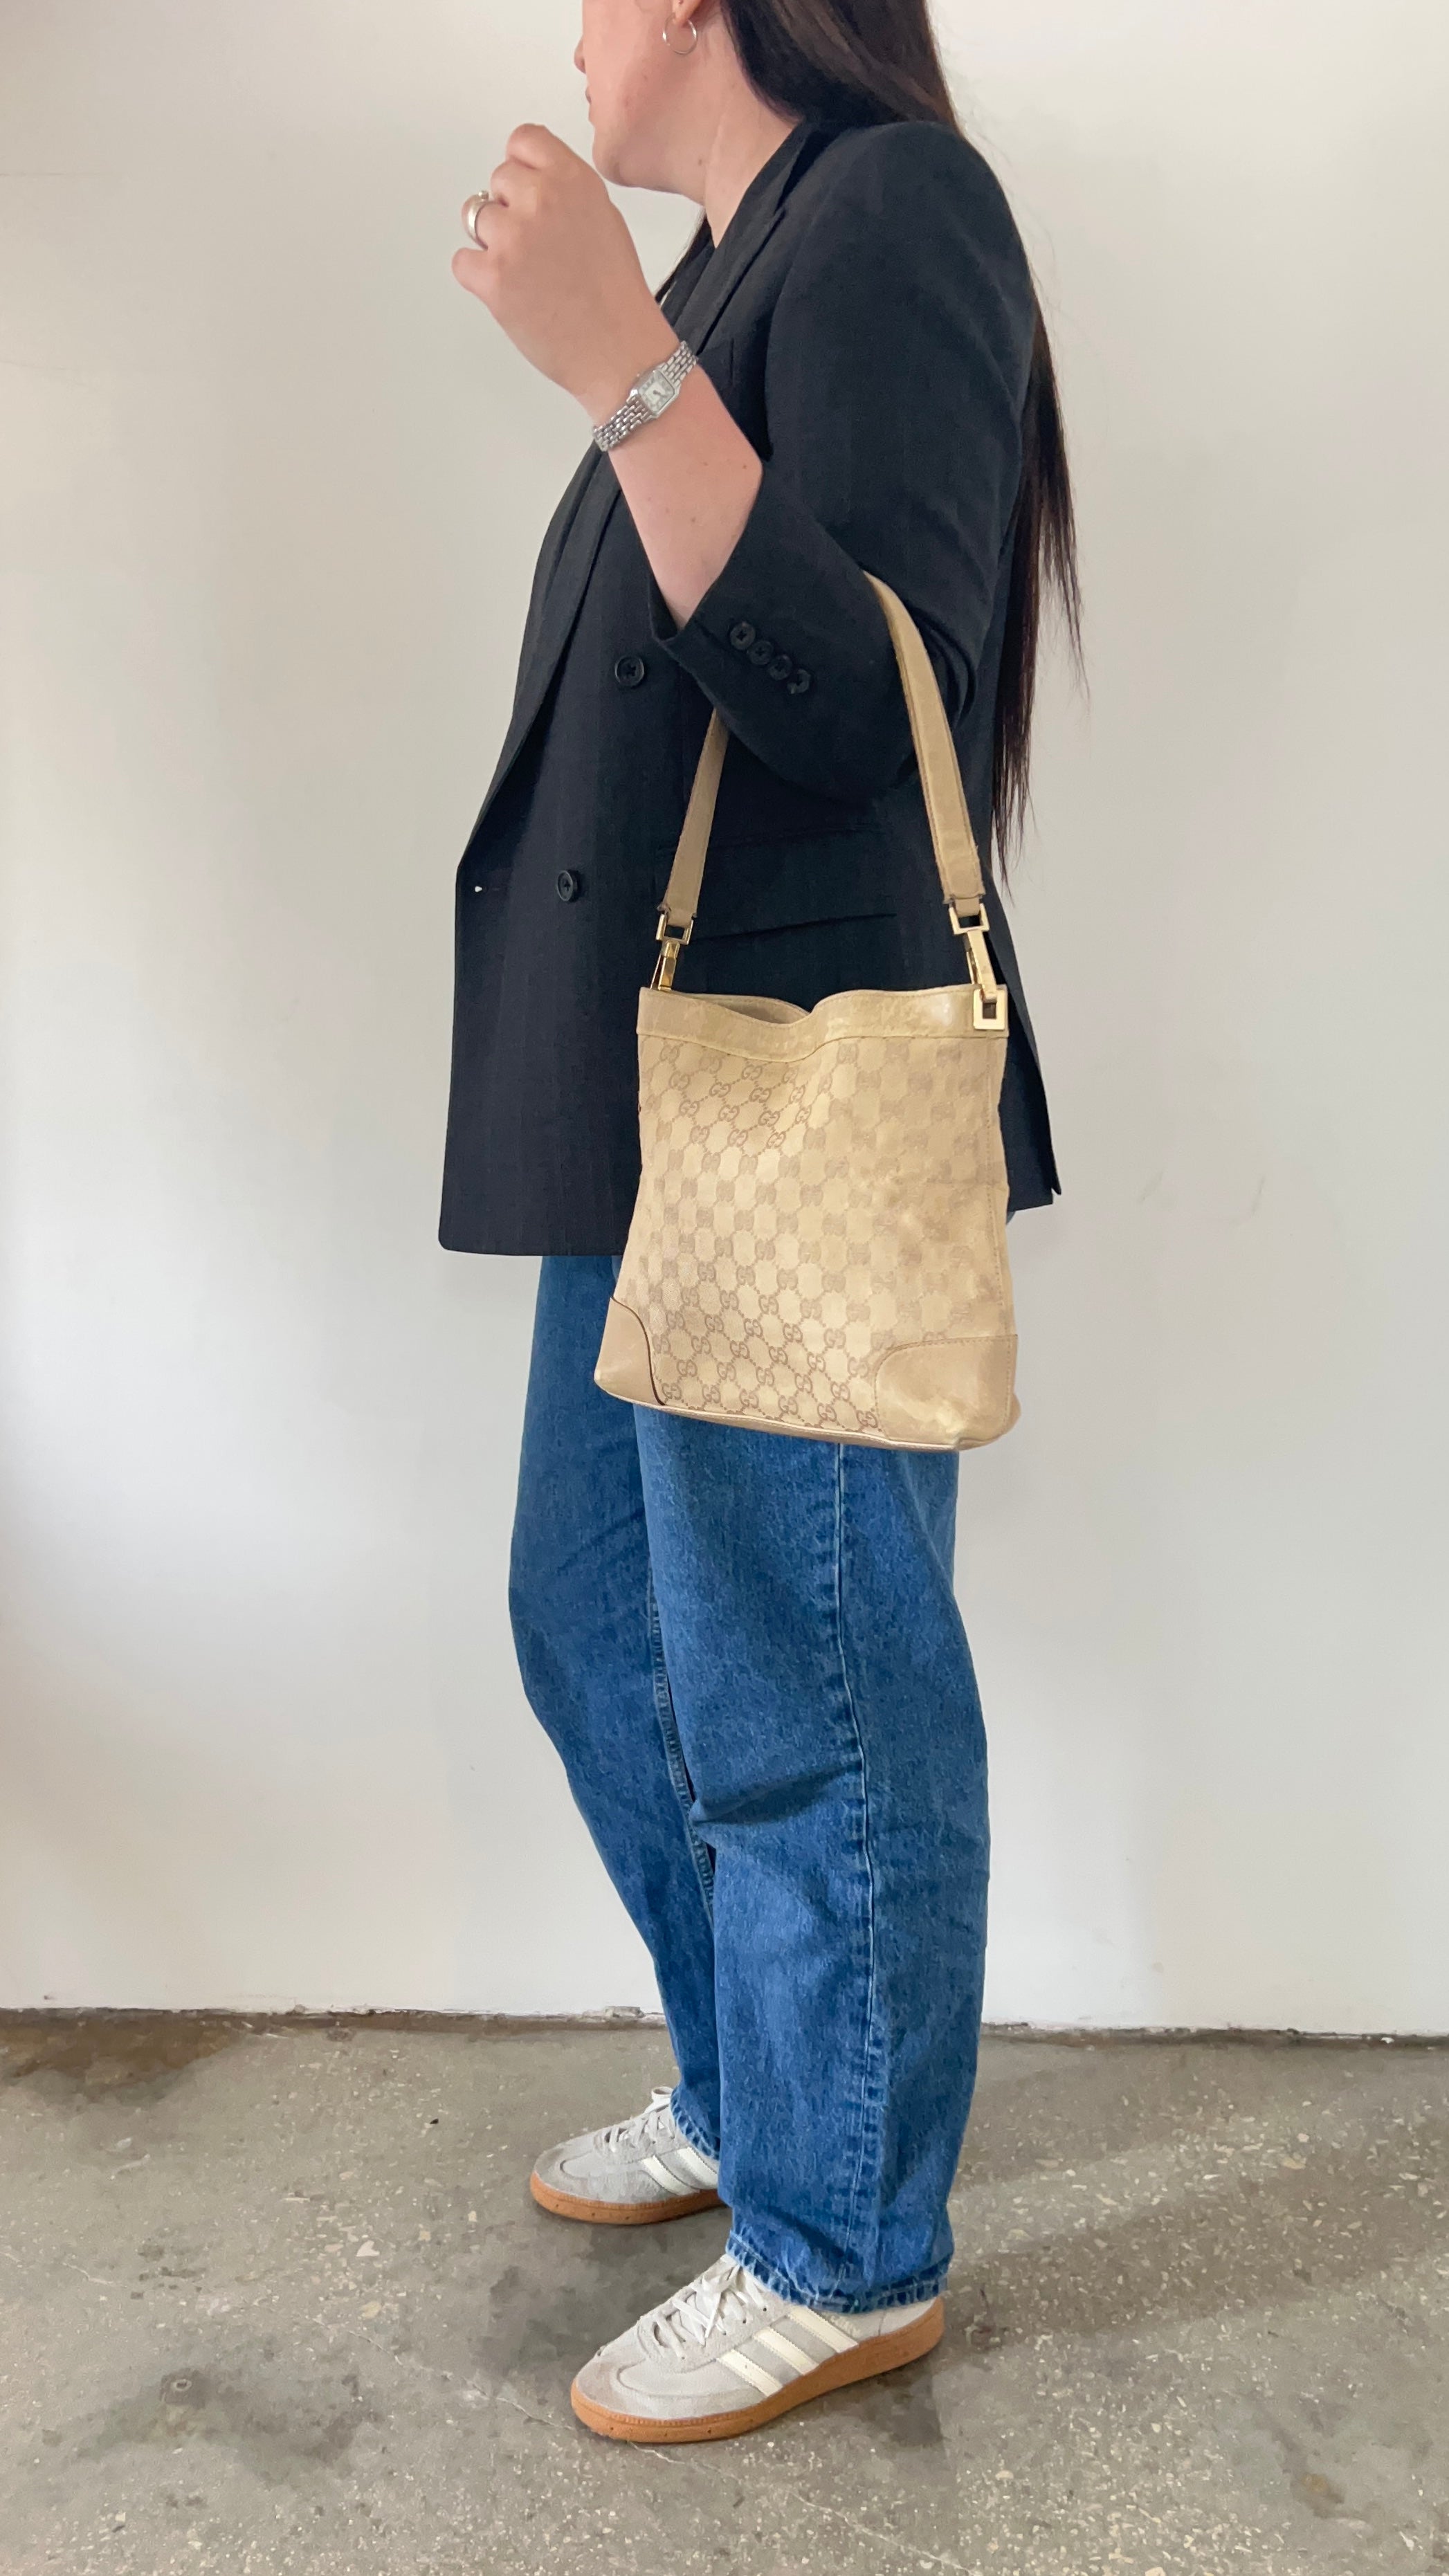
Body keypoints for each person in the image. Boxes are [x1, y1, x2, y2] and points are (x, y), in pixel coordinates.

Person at [441, 0, 1077, 2445]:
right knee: (599, 1628)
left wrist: (619, 368)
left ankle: (843, 2240)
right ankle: (757, 2087)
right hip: (649, 1104)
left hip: (790, 1095)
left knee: (808, 1680)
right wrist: (639, 346)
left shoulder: (896, 211)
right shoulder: (724, 267)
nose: (573, 32)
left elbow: (872, 687)